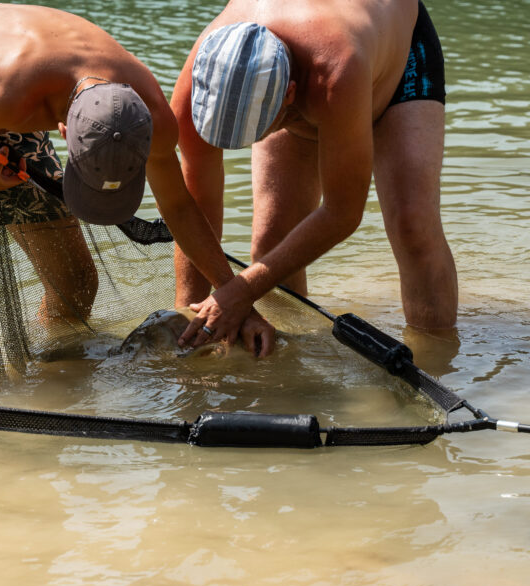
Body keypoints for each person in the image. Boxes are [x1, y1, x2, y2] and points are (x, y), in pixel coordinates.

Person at [0, 4, 275, 380]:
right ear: (66, 133)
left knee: (76, 281)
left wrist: (235, 297)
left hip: (29, 98)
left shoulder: (148, 117)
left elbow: (179, 205)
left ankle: (48, 381)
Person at [170, 0, 458, 340]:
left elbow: (342, 212)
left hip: (392, 48)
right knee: (271, 240)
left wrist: (242, 291)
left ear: (289, 94)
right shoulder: (193, 92)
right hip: (315, 72)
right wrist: (191, 318)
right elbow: (191, 208)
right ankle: (289, 363)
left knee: (413, 227)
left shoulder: (335, 70)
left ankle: (438, 359)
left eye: (253, 135)